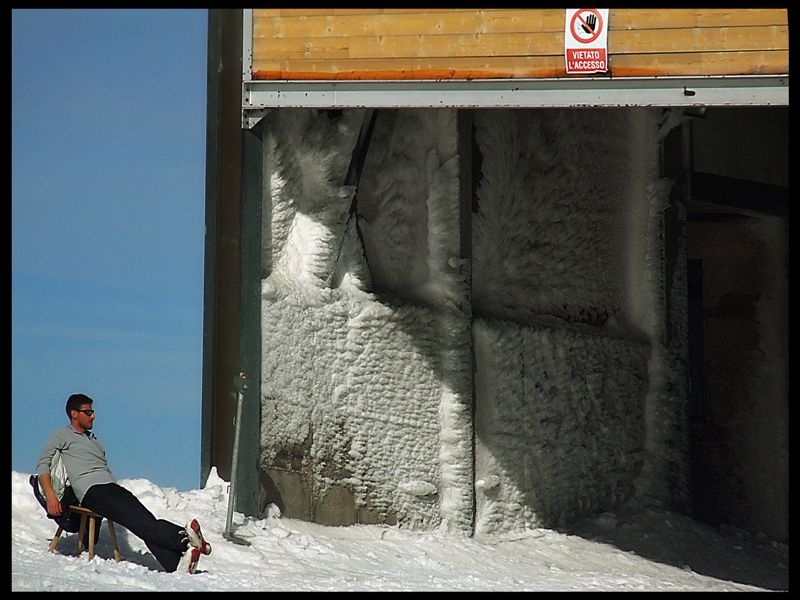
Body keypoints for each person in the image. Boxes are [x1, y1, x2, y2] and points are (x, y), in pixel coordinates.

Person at [33, 393, 212, 573]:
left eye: (92, 412)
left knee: (142, 520)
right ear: (74, 414)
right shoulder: (61, 434)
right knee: (138, 520)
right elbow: (43, 465)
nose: (93, 416)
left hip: (111, 487)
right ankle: (185, 539)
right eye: (88, 412)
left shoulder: (95, 441)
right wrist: (50, 496)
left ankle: (176, 564)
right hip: (91, 490)